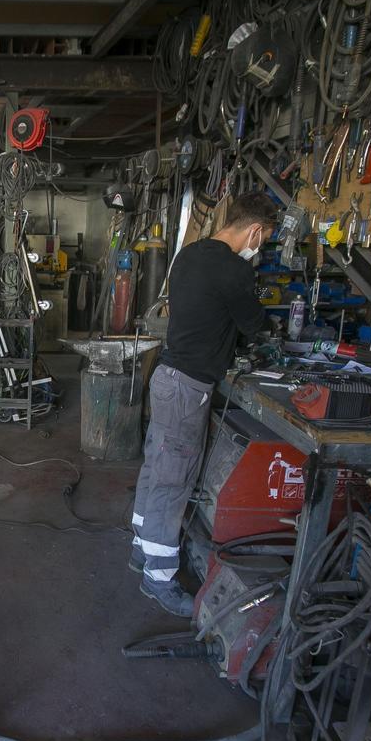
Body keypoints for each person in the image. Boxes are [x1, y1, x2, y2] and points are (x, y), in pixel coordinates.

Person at [129, 191, 279, 616]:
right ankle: (159, 578)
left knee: (156, 467)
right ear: (254, 230)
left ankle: (142, 550)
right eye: (263, 239)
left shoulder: (189, 254)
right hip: (188, 387)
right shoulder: (233, 269)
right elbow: (253, 324)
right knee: (173, 479)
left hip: (166, 376)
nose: (259, 248)